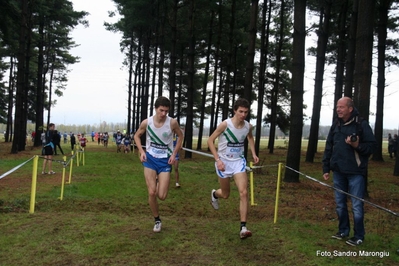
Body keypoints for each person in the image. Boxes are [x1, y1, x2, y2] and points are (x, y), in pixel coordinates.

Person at [322, 97, 376, 246]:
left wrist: (357, 145)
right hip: (338, 171)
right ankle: (343, 231)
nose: (338, 109)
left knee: (357, 205)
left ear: (350, 109)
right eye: (337, 107)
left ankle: (358, 236)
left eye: (341, 107)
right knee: (340, 204)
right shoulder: (336, 124)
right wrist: (326, 167)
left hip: (355, 172)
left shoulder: (361, 124)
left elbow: (372, 147)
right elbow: (329, 146)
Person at [207, 98, 259, 239]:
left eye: (246, 112)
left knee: (243, 192)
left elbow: (250, 138)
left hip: (238, 162)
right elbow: (210, 140)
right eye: (240, 111)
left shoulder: (248, 126)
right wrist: (218, 160)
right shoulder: (225, 125)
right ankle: (214, 195)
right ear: (235, 110)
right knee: (225, 194)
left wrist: (253, 153)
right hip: (223, 163)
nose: (243, 115)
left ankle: (243, 227)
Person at [134, 96, 183, 233]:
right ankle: (157, 220)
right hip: (150, 159)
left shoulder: (172, 123)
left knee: (162, 196)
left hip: (164, 161)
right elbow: (137, 136)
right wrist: (141, 151)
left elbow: (180, 136)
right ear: (155, 109)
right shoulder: (147, 122)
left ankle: (156, 180)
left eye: (166, 111)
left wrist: (174, 154)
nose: (163, 114)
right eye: (161, 110)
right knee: (152, 192)